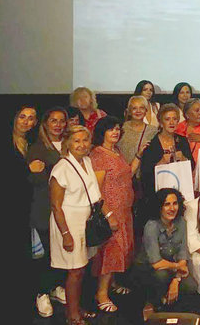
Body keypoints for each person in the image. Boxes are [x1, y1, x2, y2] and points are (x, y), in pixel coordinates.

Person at [49, 125, 118, 325]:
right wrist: (66, 234)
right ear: (68, 143)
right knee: (75, 270)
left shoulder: (87, 161)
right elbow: (55, 205)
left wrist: (110, 216)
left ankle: (77, 308)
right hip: (68, 222)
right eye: (77, 141)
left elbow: (96, 196)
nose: (81, 145)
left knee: (82, 268)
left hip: (85, 222)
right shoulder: (61, 168)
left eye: (85, 140)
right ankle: (72, 316)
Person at [0, 106, 38, 320]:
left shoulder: (32, 145)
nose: (26, 122)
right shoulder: (0, 142)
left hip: (24, 208)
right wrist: (27, 170)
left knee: (19, 258)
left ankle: (16, 304)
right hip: (2, 208)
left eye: (31, 118)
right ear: (15, 118)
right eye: (22, 117)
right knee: (1, 257)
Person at [90, 116, 136, 312]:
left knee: (121, 250)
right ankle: (101, 294)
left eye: (117, 129)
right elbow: (96, 190)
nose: (115, 132)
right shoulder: (98, 155)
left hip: (124, 211)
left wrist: (139, 157)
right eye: (111, 129)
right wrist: (108, 215)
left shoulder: (116, 151)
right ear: (102, 132)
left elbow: (127, 174)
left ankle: (113, 283)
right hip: (111, 212)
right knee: (111, 252)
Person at [27, 107, 68, 316]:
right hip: (44, 208)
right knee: (45, 255)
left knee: (61, 251)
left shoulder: (71, 145)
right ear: (45, 124)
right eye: (53, 120)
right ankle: (42, 293)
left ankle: (55, 287)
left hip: (68, 209)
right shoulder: (38, 148)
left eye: (62, 121)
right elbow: (35, 179)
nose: (58, 125)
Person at [132, 188, 198, 318]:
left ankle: (171, 306)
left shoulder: (182, 223)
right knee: (161, 275)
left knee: (192, 285)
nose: (172, 208)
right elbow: (156, 263)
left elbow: (183, 254)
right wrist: (178, 267)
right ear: (159, 207)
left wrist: (176, 280)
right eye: (167, 204)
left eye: (175, 203)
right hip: (148, 269)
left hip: (171, 266)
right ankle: (152, 303)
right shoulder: (151, 226)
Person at [140, 104, 194, 198]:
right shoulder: (152, 144)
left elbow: (192, 166)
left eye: (174, 119)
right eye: (167, 119)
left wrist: (184, 158)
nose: (171, 122)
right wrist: (161, 163)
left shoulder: (182, 141)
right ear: (161, 123)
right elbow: (145, 175)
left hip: (180, 191)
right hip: (158, 195)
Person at [119, 95, 158, 166]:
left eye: (141, 108)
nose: (138, 111)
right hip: (122, 171)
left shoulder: (153, 131)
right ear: (129, 111)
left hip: (143, 173)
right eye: (134, 108)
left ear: (146, 110)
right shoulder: (121, 128)